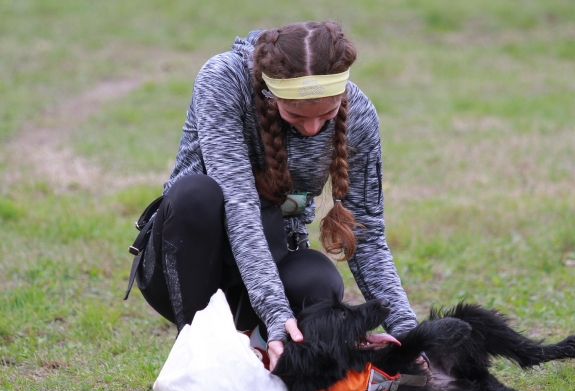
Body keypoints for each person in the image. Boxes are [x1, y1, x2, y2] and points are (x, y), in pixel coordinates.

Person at [131, 21, 418, 370]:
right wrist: (276, 310)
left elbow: (367, 234)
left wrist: (411, 337)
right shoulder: (224, 80)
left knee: (318, 280)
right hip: (182, 267)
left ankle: (262, 345)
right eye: (296, 114)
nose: (312, 128)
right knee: (197, 193)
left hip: (269, 261)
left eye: (326, 115)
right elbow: (240, 207)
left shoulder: (359, 113)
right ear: (271, 93)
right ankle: (198, 357)